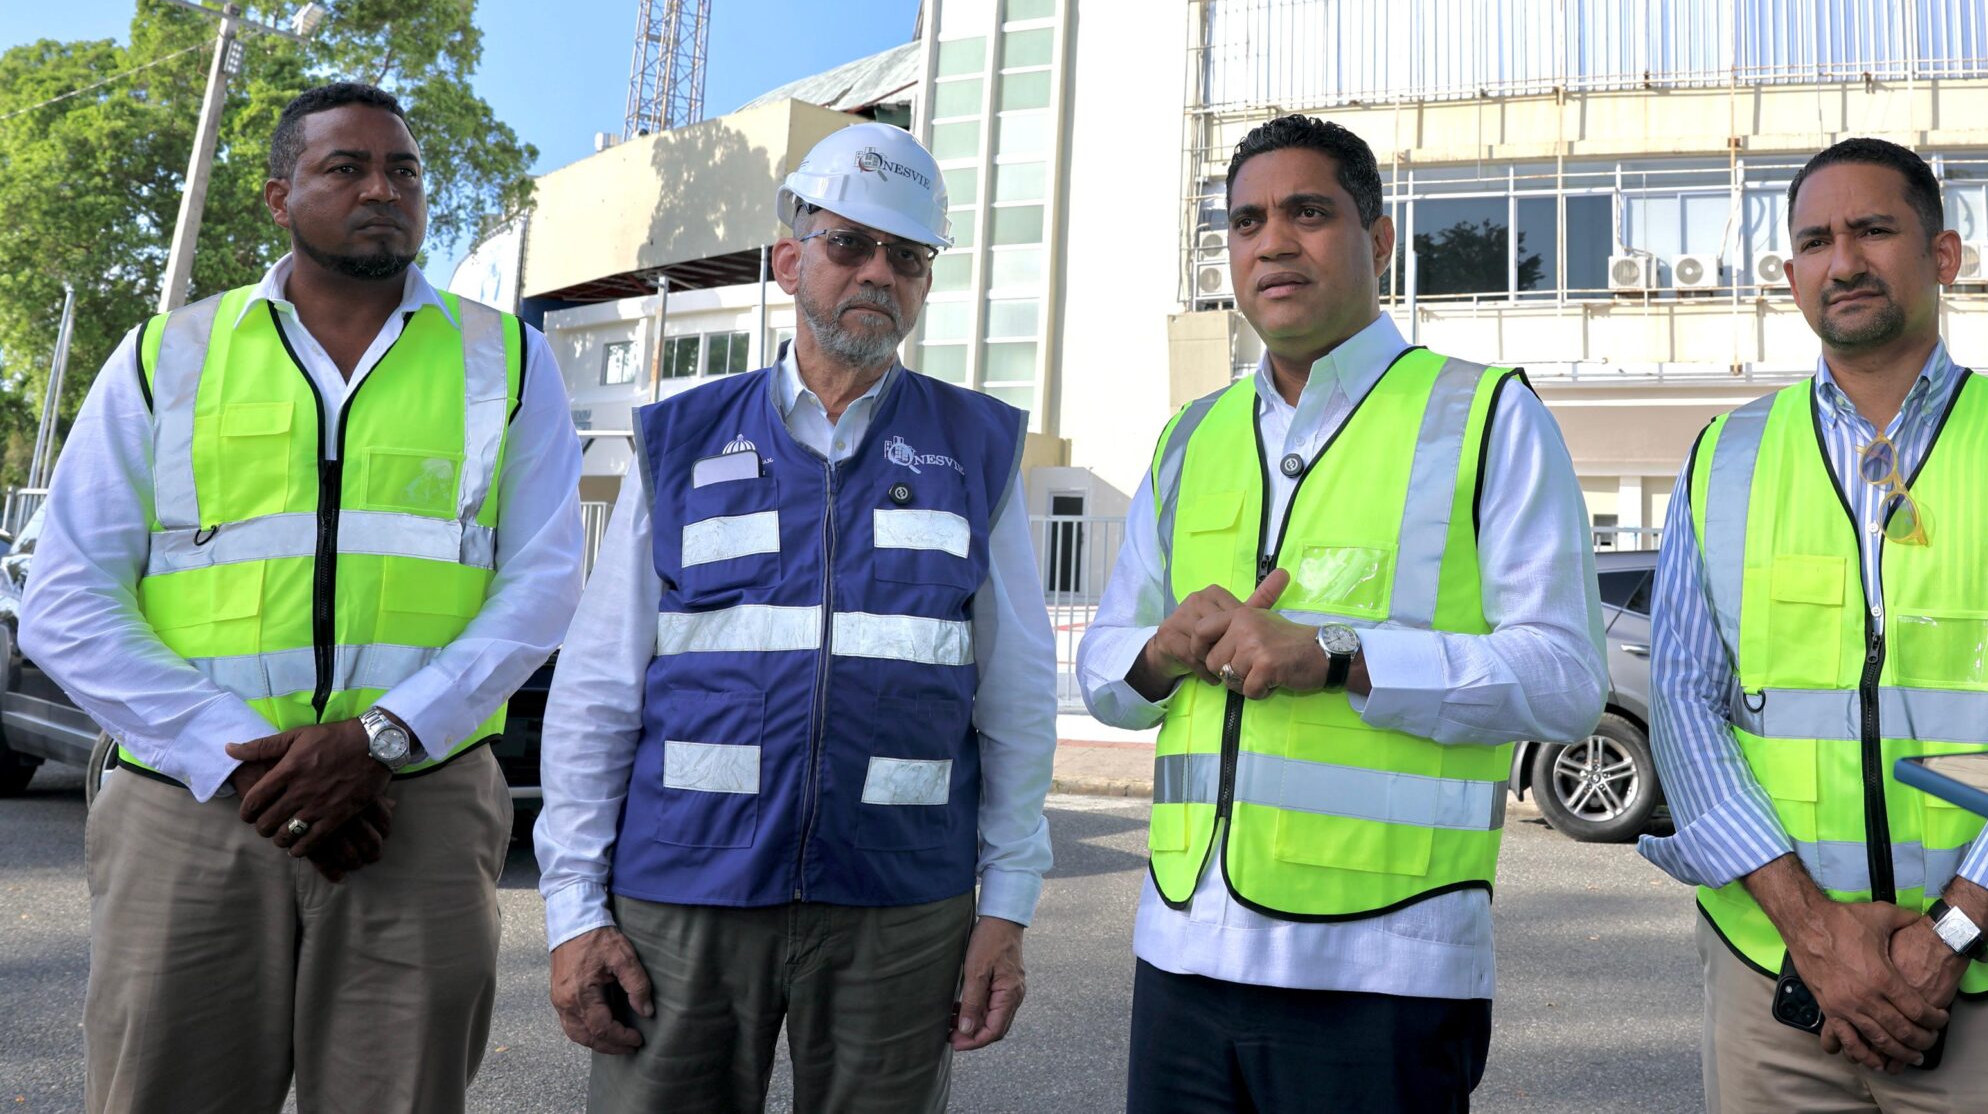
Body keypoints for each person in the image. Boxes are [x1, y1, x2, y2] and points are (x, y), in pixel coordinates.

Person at [22, 80, 587, 1114]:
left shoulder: (507, 361)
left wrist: (378, 739)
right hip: (192, 809)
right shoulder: (166, 356)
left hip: (413, 809)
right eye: (347, 167)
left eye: (404, 170)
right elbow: (68, 598)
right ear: (279, 196)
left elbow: (544, 582)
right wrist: (241, 759)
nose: (383, 189)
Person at [1076, 114, 1607, 1114]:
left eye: (1308, 213)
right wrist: (1161, 651)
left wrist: (1338, 655)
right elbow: (1106, 664)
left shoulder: (1484, 415)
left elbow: (1567, 680)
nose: (1272, 242)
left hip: (1384, 963)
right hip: (1182, 952)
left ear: (1379, 239)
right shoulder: (1190, 437)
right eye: (1246, 222)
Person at [537, 122, 1054, 1114]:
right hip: (683, 891)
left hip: (900, 902)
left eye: (907, 256)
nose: (878, 272)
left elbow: (1017, 697)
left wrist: (1008, 904)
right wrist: (572, 907)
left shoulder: (976, 448)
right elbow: (599, 689)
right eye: (849, 243)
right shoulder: (680, 440)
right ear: (789, 261)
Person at [1643, 137, 1988, 1114]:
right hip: (1776, 977)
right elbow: (1683, 706)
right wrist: (1813, 931)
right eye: (1814, 241)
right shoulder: (1725, 455)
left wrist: (1950, 935)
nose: (1842, 261)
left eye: (1873, 230)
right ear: (1790, 272)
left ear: (1943, 254)